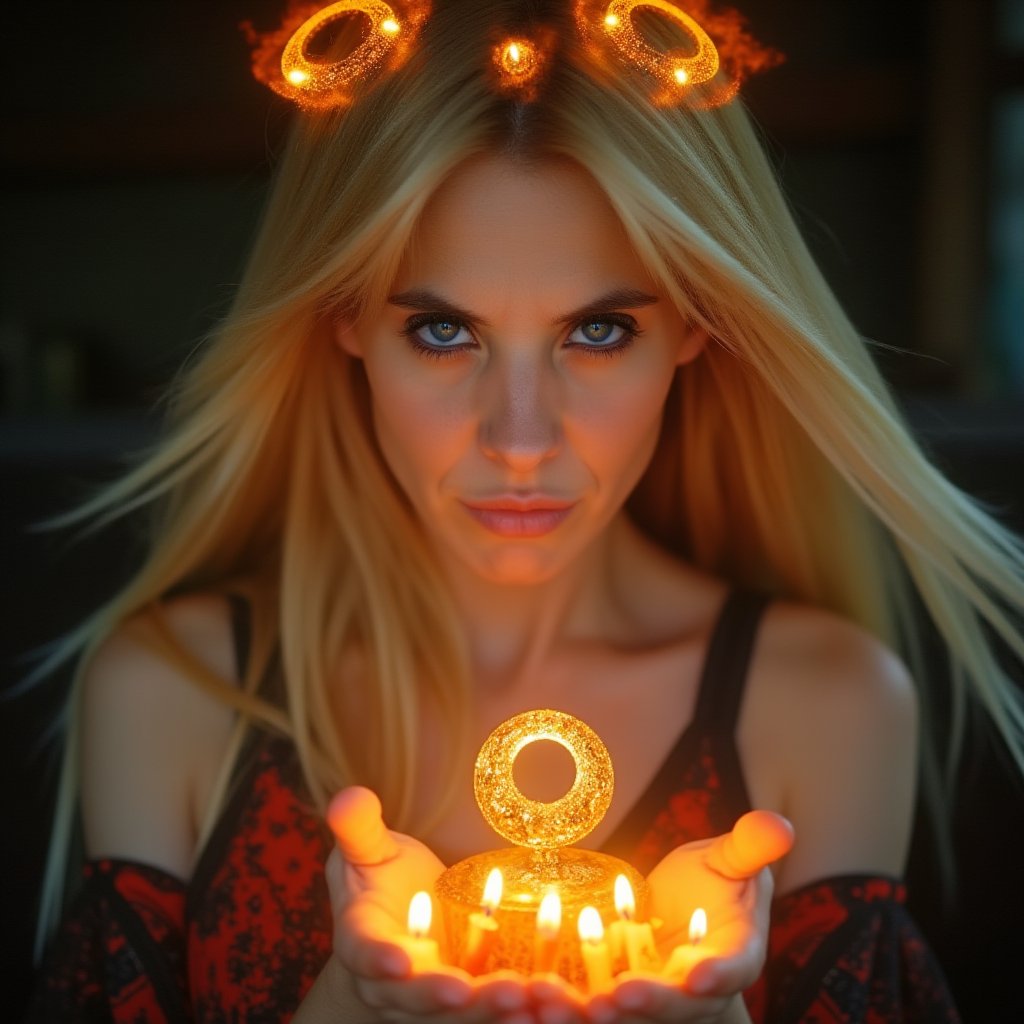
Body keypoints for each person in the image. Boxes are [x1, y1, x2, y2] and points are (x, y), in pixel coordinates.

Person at [26, 0, 1024, 1021]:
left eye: (596, 330)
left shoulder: (827, 704)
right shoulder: (178, 694)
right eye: (443, 331)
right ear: (345, 318)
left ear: (694, 322)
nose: (518, 438)